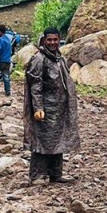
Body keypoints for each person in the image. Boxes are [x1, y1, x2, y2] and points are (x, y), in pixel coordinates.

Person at [23, 27, 80, 184]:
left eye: (55, 40)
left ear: (59, 40)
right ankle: (36, 175)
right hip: (45, 108)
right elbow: (35, 86)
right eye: (49, 40)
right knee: (42, 140)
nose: (52, 43)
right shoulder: (39, 59)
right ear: (44, 41)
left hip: (59, 108)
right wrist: (38, 108)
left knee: (58, 139)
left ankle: (56, 174)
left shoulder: (59, 59)